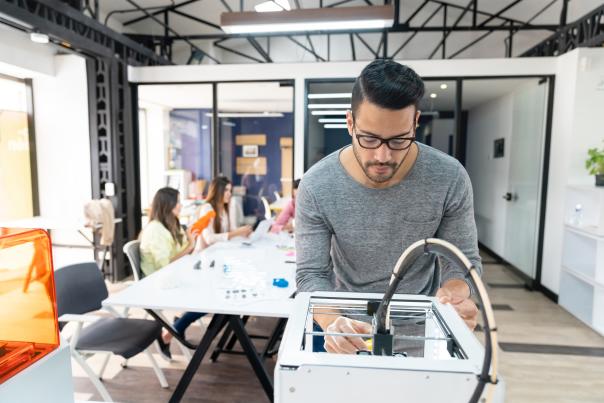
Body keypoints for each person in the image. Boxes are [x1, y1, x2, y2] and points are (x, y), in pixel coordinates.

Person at [295, 59, 482, 354]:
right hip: (348, 330)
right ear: (350, 123)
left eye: (398, 140)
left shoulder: (448, 177)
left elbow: (461, 260)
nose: (382, 156)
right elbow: (311, 274)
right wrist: (331, 322)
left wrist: (457, 298)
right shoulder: (317, 185)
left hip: (425, 331)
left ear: (416, 123)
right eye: (368, 138)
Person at [139, 187, 199, 359]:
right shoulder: (155, 230)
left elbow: (181, 255)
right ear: (167, 204)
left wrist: (189, 240)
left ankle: (176, 327)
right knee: (207, 296)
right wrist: (190, 245)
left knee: (210, 291)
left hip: (173, 277)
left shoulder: (172, 223)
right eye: (177, 202)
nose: (180, 205)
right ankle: (175, 329)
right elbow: (166, 265)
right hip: (159, 282)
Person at [198, 176, 253, 249]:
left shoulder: (226, 208)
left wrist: (243, 232)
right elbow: (209, 239)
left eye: (230, 191)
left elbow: (232, 230)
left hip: (220, 250)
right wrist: (236, 233)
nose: (229, 194)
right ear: (217, 191)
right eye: (226, 190)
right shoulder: (206, 208)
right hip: (206, 253)